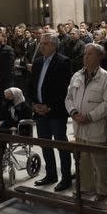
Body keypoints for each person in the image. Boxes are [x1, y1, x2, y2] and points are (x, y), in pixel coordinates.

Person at [66, 43, 107, 202]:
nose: (85, 57)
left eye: (90, 54)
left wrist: (89, 117)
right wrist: (74, 113)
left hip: (95, 126)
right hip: (79, 125)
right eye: (85, 54)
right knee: (83, 159)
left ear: (99, 56)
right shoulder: (77, 75)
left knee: (98, 161)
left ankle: (102, 190)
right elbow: (69, 98)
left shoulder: (106, 77)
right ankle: (86, 188)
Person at [29, 33, 73, 192]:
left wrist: (49, 106)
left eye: (45, 43)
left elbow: (63, 88)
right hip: (39, 111)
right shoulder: (38, 62)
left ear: (54, 45)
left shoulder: (63, 62)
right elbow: (32, 85)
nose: (41, 46)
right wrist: (34, 104)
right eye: (41, 43)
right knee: (45, 144)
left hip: (56, 111)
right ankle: (51, 174)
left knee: (60, 143)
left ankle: (66, 178)